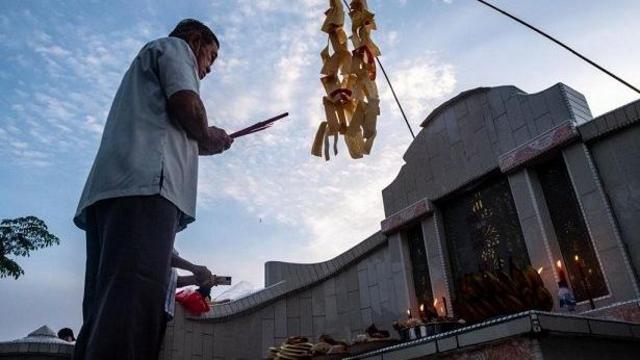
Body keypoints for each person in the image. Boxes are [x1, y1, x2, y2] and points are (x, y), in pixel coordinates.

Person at [72, 19, 232, 360]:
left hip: (115, 190)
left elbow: (172, 125)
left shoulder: (146, 64)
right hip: (146, 189)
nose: (208, 69)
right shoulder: (175, 49)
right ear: (195, 40)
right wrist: (208, 134)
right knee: (133, 307)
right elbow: (186, 105)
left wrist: (207, 142)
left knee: (105, 307)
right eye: (210, 58)